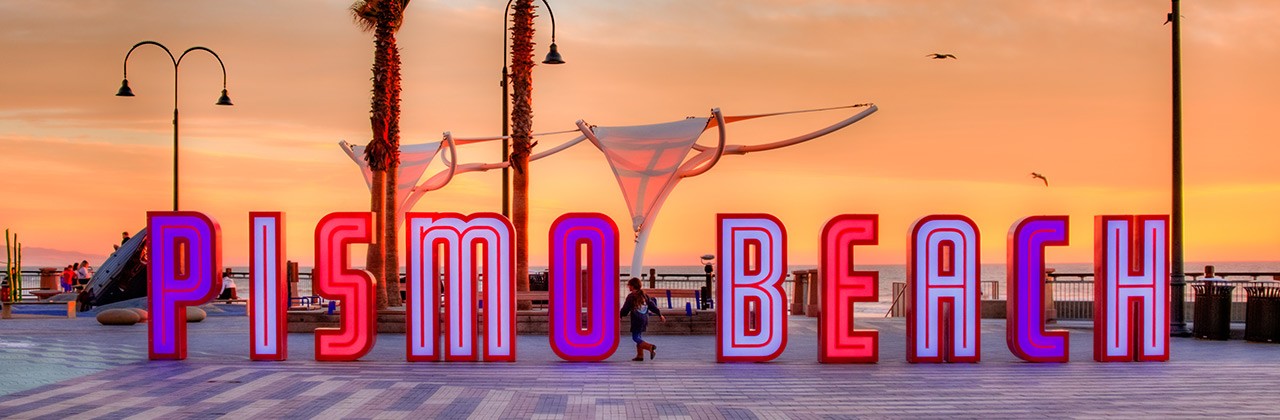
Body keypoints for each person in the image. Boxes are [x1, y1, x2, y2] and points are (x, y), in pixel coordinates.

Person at [620, 277, 665, 361]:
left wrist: (620, 315)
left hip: (636, 319)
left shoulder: (631, 296)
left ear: (633, 286)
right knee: (639, 336)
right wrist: (659, 314)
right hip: (644, 318)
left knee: (635, 338)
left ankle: (650, 347)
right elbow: (652, 306)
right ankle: (640, 355)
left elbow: (625, 308)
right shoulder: (644, 295)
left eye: (629, 285)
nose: (628, 287)